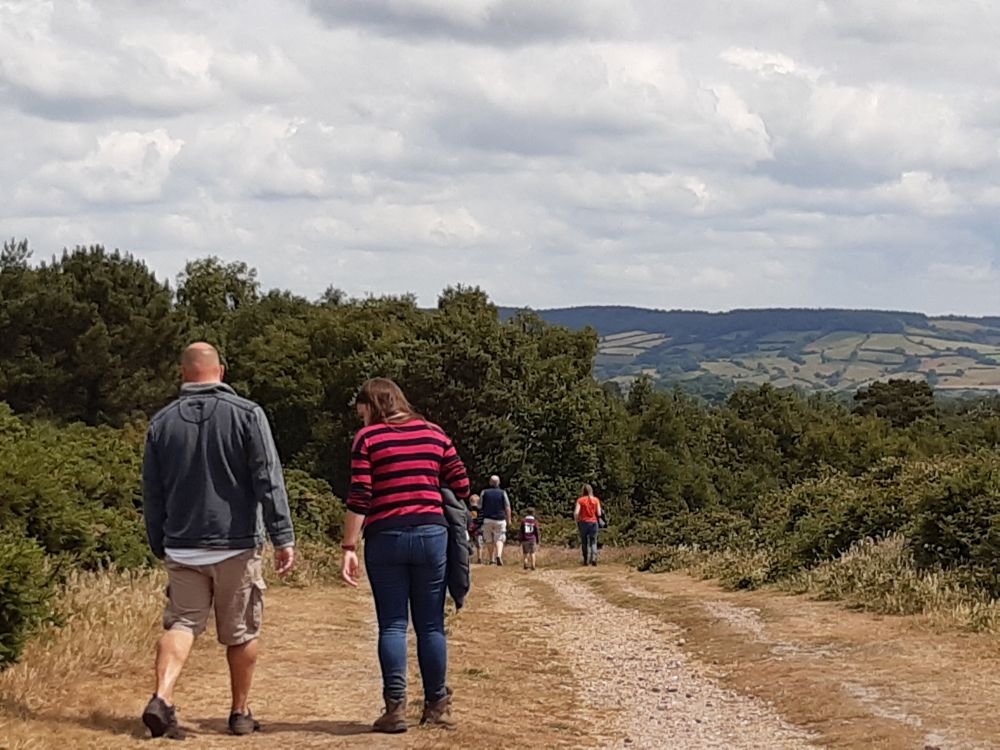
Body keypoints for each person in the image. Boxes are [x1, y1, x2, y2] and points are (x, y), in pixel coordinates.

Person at [141, 343, 296, 740]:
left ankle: (162, 696)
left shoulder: (161, 422)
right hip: (235, 543)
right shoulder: (248, 414)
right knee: (241, 631)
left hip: (182, 543)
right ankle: (240, 712)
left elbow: (152, 491)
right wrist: (283, 536)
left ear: (183, 372)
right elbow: (268, 477)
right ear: (221, 371)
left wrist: (158, 539)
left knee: (182, 622)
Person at [341, 378, 470, 733]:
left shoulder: (368, 439)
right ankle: (437, 706)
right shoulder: (434, 433)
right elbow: (461, 484)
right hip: (431, 534)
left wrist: (348, 546)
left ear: (372, 405)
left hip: (386, 536)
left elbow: (360, 495)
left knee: (393, 624)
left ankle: (395, 708)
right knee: (431, 625)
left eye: (362, 411)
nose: (361, 418)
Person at [479, 475, 512, 565]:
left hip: (487, 519)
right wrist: (509, 519)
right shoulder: (503, 493)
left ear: (490, 482)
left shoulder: (484, 492)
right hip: (500, 519)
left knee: (489, 540)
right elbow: (507, 507)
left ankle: (491, 559)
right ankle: (499, 555)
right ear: (499, 483)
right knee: (500, 538)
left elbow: (480, 506)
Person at [574, 484, 602, 566]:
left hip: (583, 522)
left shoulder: (580, 500)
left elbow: (576, 513)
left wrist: (577, 520)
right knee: (593, 541)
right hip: (593, 522)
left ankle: (586, 560)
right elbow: (599, 513)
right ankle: (594, 558)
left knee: (584, 541)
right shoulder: (596, 500)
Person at [468, 494, 485, 564]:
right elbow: (480, 520)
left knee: (470, 544)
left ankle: (470, 559)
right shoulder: (481, 510)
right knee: (479, 545)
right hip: (479, 529)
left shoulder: (469, 509)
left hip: (471, 529)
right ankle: (479, 558)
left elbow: (470, 519)